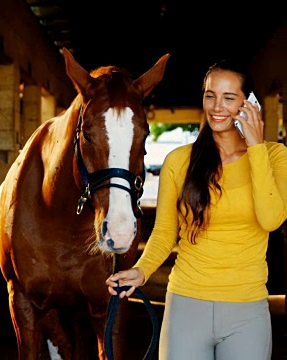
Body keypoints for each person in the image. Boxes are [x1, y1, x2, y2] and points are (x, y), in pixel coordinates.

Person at [106, 59, 287, 359]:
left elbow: (270, 219)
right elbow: (165, 231)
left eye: (229, 98)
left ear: (249, 103)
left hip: (247, 310)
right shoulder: (180, 161)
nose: (217, 106)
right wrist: (141, 270)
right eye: (210, 95)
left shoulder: (275, 156)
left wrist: (255, 146)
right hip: (186, 304)